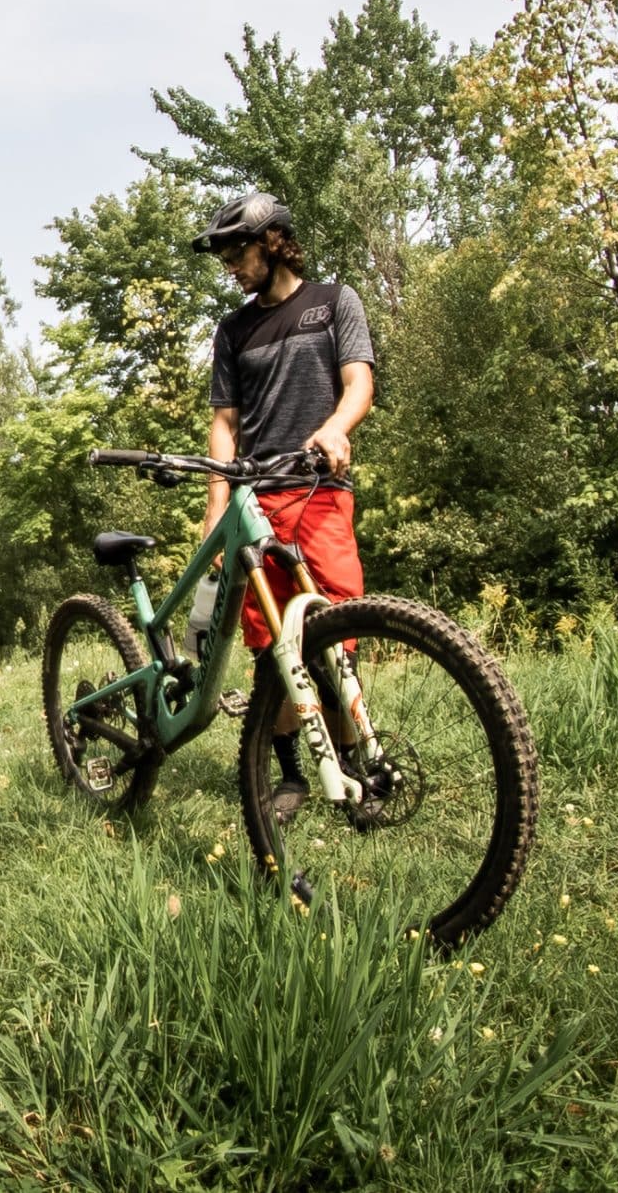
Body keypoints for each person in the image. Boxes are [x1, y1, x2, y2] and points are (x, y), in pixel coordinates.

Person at [193, 194, 376, 815]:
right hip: (255, 500)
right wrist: (217, 508)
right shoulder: (234, 330)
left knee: (333, 634)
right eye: (224, 257)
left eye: (238, 252)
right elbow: (224, 423)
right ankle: (293, 775)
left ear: (272, 241)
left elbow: (359, 383)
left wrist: (336, 427)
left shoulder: (333, 303)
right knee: (270, 646)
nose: (231, 267)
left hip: (320, 489)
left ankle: (355, 764)